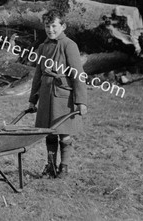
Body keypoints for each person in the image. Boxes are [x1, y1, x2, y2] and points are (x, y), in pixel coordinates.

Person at [26, 10, 87, 178]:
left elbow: (78, 74)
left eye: (54, 26)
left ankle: (64, 167)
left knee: (64, 132)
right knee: (49, 132)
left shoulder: (69, 45)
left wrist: (81, 101)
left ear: (63, 26)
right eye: (47, 26)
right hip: (46, 95)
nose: (50, 30)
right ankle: (51, 166)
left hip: (63, 96)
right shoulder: (42, 47)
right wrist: (33, 100)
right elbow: (38, 75)